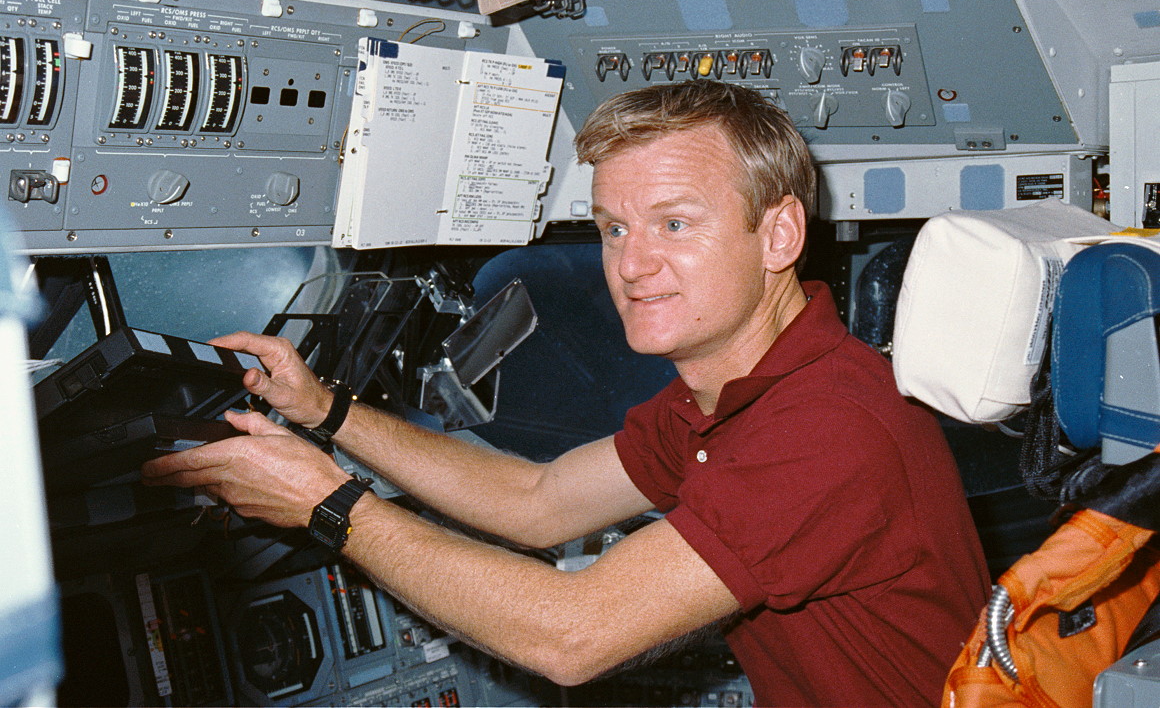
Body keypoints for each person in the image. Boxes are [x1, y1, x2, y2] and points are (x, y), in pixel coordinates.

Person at [142, 80, 990, 707]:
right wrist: (326, 412)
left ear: (779, 235)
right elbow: (540, 499)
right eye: (614, 227)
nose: (632, 263)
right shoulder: (731, 391)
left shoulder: (827, 426)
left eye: (675, 223)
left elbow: (572, 634)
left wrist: (327, 506)